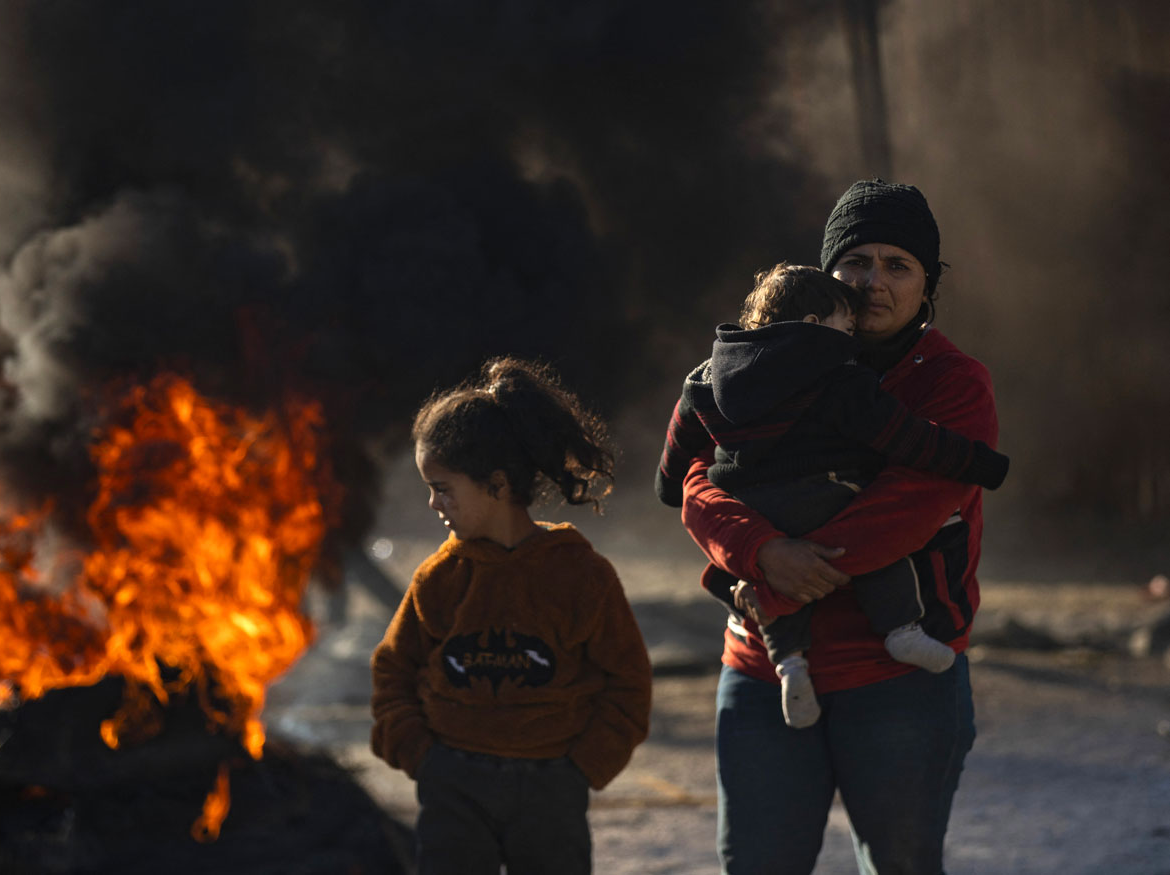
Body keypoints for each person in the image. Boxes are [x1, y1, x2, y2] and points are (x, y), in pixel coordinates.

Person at [681, 180, 998, 874]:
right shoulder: (756, 365)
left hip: (896, 680)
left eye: (896, 265)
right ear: (824, 272)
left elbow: (901, 514)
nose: (872, 281)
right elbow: (696, 481)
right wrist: (760, 548)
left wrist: (772, 584)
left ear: (926, 284)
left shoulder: (951, 382)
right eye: (855, 261)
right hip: (762, 674)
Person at [656, 263, 1008, 728]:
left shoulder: (707, 378)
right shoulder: (836, 378)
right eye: (845, 326)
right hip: (822, 497)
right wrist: (981, 463)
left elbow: (679, 459)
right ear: (813, 327)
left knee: (799, 558)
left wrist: (669, 486)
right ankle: (901, 628)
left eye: (897, 265)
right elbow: (903, 440)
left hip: (754, 509)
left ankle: (790, 665)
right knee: (876, 536)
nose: (852, 336)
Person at [370, 357, 652, 875]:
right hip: (453, 787)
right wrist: (423, 758)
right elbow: (393, 670)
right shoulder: (439, 578)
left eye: (443, 487)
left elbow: (628, 682)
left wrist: (582, 767)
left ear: (497, 485)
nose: (433, 503)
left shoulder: (579, 575)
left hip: (551, 788)